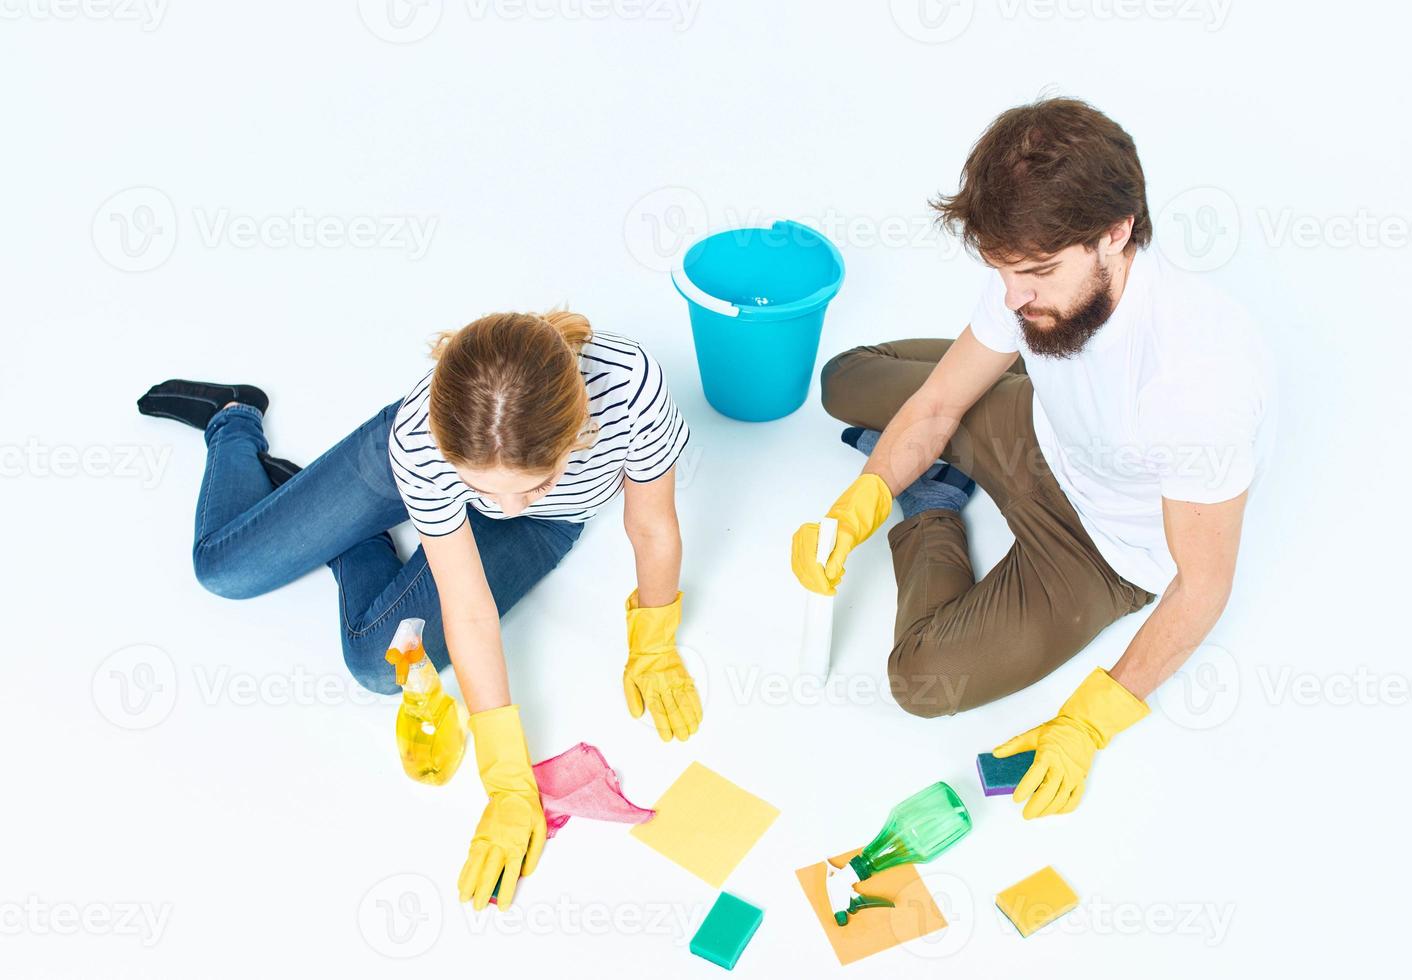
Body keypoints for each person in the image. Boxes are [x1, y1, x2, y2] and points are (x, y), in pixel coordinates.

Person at [791, 97, 1274, 820]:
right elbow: (933, 406)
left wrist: (1092, 720)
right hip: (1038, 434)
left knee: (923, 682)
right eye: (1000, 270)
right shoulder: (1031, 284)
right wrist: (860, 499)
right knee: (843, 381)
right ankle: (939, 459)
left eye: (1038, 272)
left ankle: (935, 502)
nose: (1013, 299)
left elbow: (1202, 587)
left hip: (1099, 549)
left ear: (1116, 234)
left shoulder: (1196, 380)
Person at [137, 310, 702, 908]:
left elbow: (652, 527)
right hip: (411, 468)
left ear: (576, 433)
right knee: (222, 570)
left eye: (534, 482)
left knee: (379, 666)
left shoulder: (628, 387)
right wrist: (508, 782)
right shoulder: (421, 439)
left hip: (546, 528)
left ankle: (355, 539)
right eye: (485, 489)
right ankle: (233, 420)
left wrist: (654, 641)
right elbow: (469, 609)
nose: (504, 506)